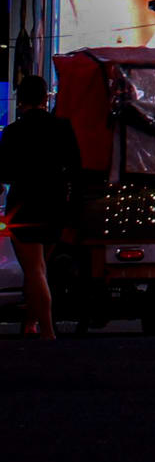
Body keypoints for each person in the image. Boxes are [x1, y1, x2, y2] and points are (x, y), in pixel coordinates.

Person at [0, 73, 84, 339]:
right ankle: (30, 323)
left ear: (21, 100)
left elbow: (5, 173)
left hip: (24, 206)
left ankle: (47, 331)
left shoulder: (14, 131)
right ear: (45, 98)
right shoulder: (63, 127)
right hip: (55, 205)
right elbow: (75, 168)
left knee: (34, 268)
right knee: (39, 267)